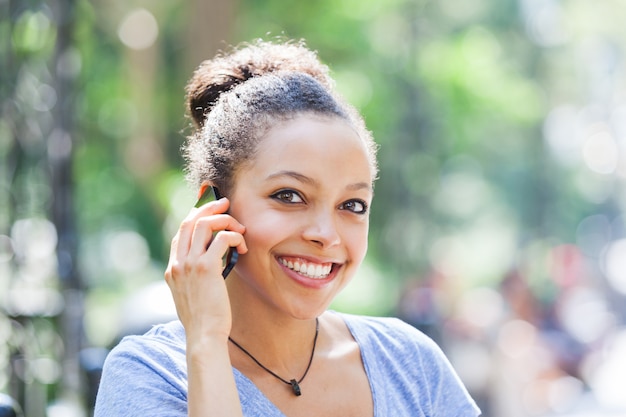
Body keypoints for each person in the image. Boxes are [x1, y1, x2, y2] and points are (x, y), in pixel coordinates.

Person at [93, 39, 481, 417]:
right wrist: (206, 342)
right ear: (211, 206)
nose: (326, 235)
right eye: (290, 196)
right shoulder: (148, 374)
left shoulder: (410, 363)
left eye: (352, 205)